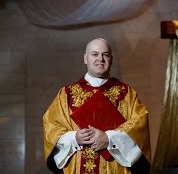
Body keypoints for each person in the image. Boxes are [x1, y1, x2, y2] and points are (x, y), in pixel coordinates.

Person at [43, 38, 151, 174]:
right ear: (85, 58)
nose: (100, 58)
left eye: (105, 55)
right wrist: (74, 138)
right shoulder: (66, 94)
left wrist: (109, 139)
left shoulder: (127, 93)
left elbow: (139, 126)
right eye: (95, 54)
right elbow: (51, 127)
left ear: (111, 60)